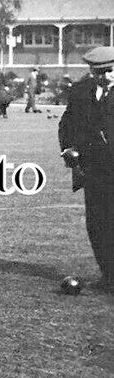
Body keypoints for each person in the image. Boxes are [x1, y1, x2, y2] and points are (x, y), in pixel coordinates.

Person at [58, 47, 114, 290]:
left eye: (110, 71)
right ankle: (108, 275)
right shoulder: (81, 91)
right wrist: (67, 148)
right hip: (92, 170)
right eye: (99, 72)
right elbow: (66, 122)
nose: (105, 76)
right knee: (98, 223)